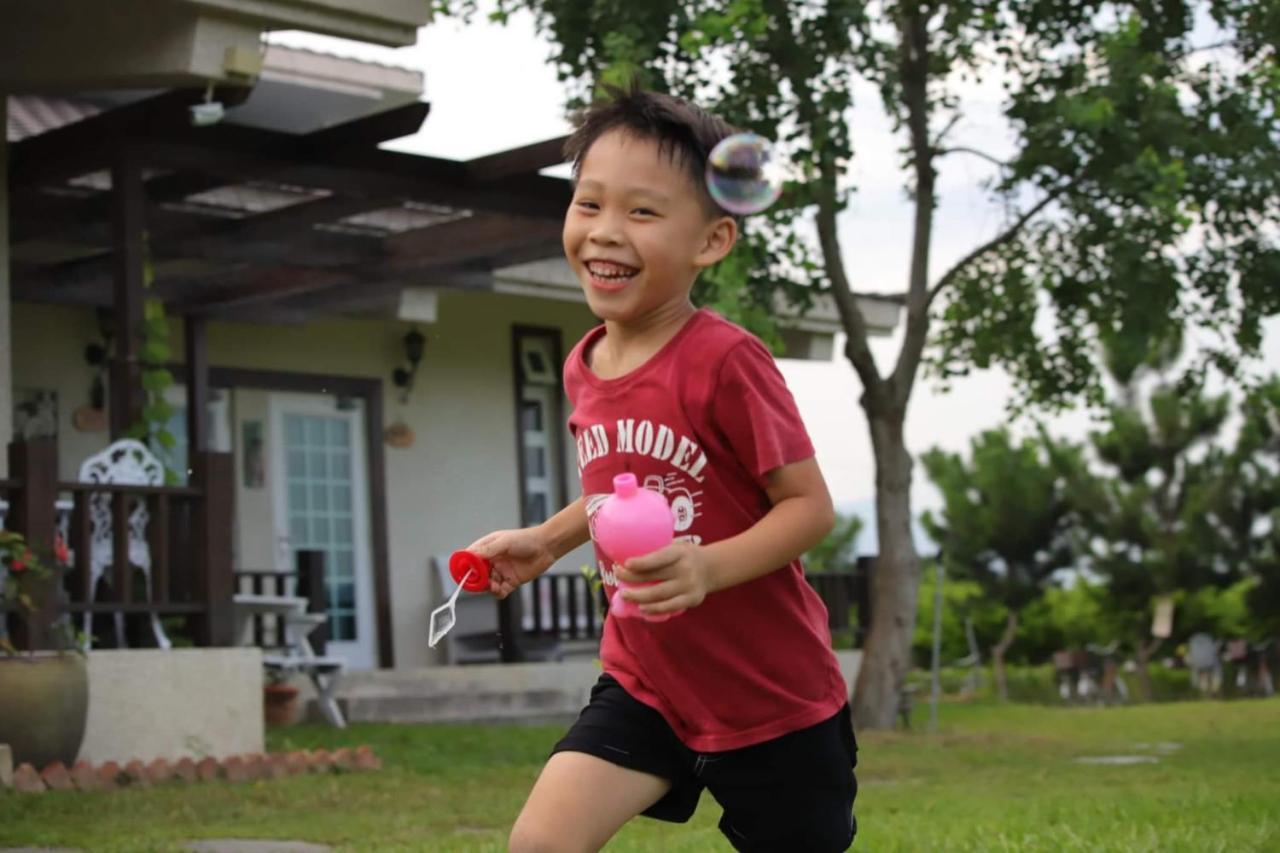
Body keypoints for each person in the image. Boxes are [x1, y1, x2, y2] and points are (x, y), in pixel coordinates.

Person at [467, 85, 857, 852]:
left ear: (711, 241)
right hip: (647, 679)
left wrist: (707, 567)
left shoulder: (727, 360)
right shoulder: (585, 364)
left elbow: (808, 508)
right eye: (589, 205)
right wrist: (547, 541)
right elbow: (621, 487)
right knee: (540, 843)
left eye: (642, 213)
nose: (606, 233)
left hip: (770, 692)